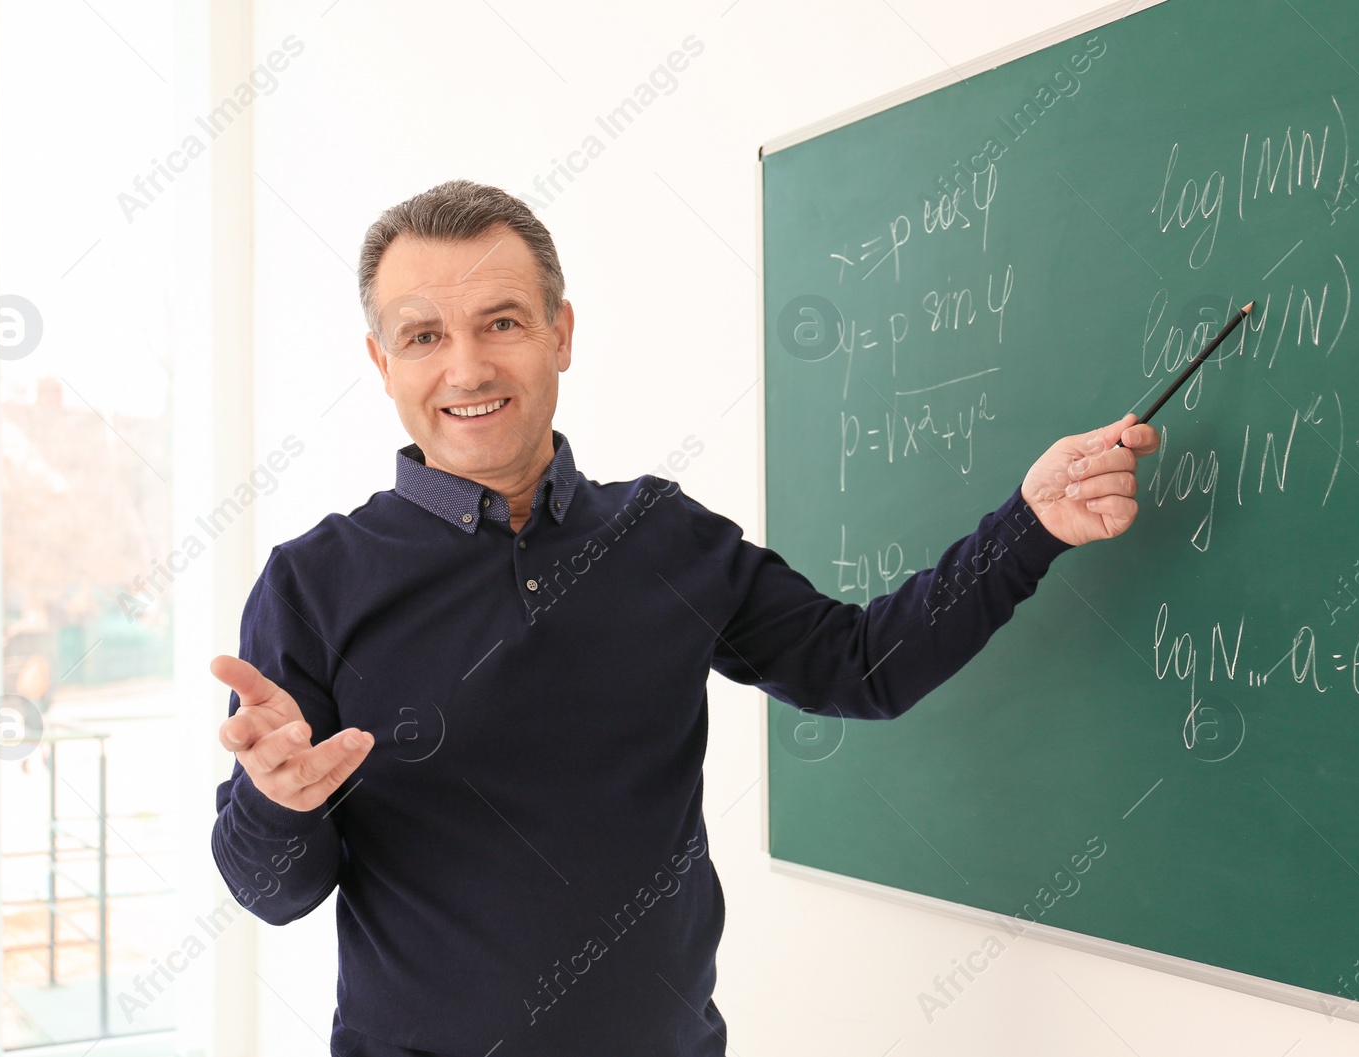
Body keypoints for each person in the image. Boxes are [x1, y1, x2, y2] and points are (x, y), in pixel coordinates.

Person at [208, 179, 1160, 1057]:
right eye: (423, 336)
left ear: (560, 333)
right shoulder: (313, 583)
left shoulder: (661, 536)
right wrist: (276, 801)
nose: (466, 365)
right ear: (382, 361)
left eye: (500, 321)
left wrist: (1029, 525)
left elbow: (863, 667)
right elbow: (274, 891)